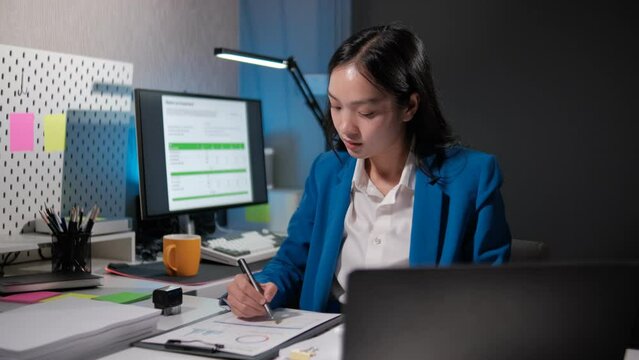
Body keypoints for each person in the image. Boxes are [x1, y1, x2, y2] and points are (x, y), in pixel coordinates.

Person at [226, 23, 511, 318]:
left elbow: (489, 297)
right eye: (336, 107)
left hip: (419, 337)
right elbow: (293, 261)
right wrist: (260, 286)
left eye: (366, 113)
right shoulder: (327, 171)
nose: (346, 128)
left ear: (409, 107)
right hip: (326, 336)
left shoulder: (472, 178)